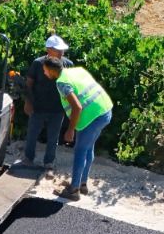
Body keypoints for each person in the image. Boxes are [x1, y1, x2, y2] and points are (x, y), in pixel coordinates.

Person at [42, 57, 114, 200]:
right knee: (88, 148)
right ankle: (82, 184)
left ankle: (74, 190)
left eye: (44, 70)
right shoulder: (76, 71)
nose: (44, 73)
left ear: (51, 70)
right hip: (105, 110)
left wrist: (70, 130)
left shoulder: (62, 83)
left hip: (91, 117)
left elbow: (77, 107)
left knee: (80, 150)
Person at [22, 35, 73, 172]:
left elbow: (71, 87)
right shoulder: (38, 64)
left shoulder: (68, 64)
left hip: (57, 109)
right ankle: (28, 158)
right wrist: (28, 102)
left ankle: (49, 163)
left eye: (62, 50)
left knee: (53, 137)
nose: (62, 52)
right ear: (49, 50)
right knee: (32, 134)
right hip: (38, 106)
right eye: (58, 50)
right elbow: (29, 83)